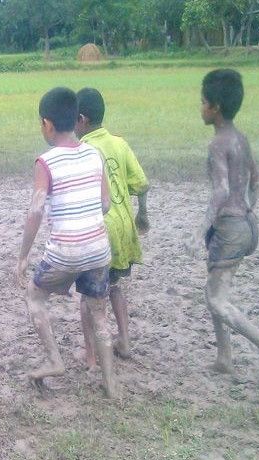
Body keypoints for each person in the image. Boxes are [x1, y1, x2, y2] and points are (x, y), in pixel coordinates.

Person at [16, 87, 118, 397]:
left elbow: (35, 212)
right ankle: (111, 386)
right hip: (99, 250)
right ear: (77, 119)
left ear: (47, 124)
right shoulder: (94, 153)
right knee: (99, 314)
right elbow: (105, 204)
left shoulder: (45, 162)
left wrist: (22, 257)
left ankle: (54, 361)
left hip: (65, 251)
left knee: (35, 295)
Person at [187, 69, 259, 382]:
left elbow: (221, 191)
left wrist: (198, 231)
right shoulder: (241, 139)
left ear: (214, 107)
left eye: (202, 103)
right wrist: (249, 212)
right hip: (245, 225)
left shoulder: (218, 144)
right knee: (214, 289)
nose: (199, 108)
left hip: (229, 229)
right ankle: (224, 357)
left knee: (216, 299)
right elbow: (255, 182)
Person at [75, 87, 149, 362]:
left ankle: (91, 353)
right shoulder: (119, 143)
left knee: (87, 295)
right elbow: (142, 184)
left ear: (81, 120)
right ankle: (125, 342)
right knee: (114, 286)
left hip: (99, 230)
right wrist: (144, 214)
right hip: (125, 230)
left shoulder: (83, 150)